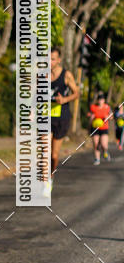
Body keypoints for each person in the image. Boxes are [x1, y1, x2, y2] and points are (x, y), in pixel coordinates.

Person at [50, 47, 79, 186]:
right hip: (45, 117)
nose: (49, 62)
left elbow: (76, 93)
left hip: (61, 118)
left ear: (58, 60)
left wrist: (64, 100)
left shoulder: (66, 75)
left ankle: (51, 175)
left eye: (52, 59)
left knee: (54, 155)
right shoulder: (41, 75)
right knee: (45, 151)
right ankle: (44, 181)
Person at [88, 91, 111, 164]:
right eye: (99, 100)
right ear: (97, 100)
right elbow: (89, 115)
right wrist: (91, 117)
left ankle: (105, 152)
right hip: (95, 127)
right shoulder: (93, 107)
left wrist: (107, 117)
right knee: (96, 143)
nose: (100, 101)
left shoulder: (107, 107)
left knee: (104, 144)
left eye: (102, 100)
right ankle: (97, 159)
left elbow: (111, 117)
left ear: (104, 100)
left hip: (104, 128)